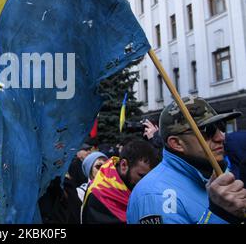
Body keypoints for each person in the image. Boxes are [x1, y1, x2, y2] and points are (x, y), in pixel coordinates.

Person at [127, 96, 246, 224]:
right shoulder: (155, 195)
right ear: (177, 143)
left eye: (221, 126)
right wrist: (221, 215)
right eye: (208, 130)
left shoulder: (216, 173)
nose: (221, 136)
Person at [81, 140, 160, 224]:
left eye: (150, 178)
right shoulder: (98, 193)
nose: (146, 184)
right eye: (141, 176)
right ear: (123, 165)